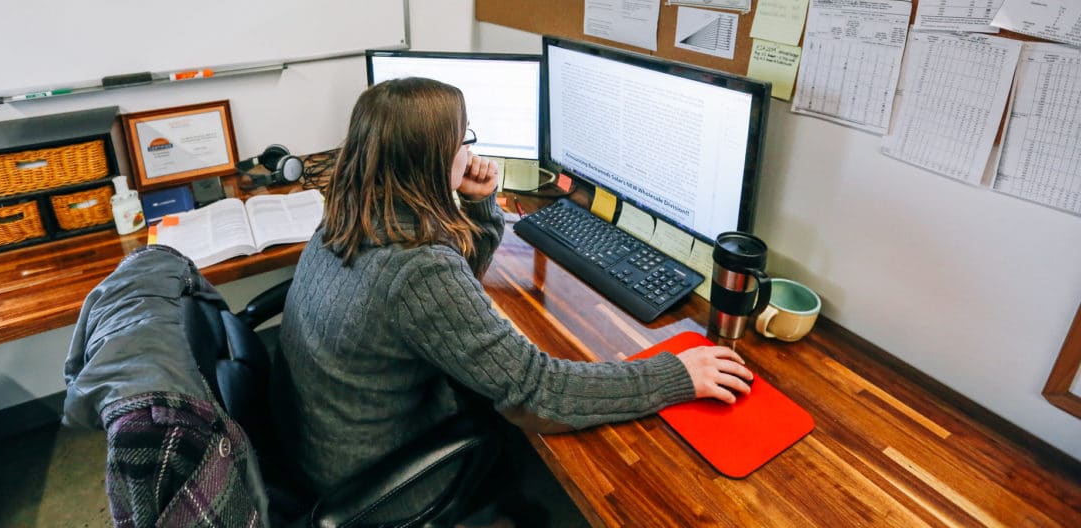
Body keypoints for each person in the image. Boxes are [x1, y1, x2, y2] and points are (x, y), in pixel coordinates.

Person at [278, 77, 753, 527]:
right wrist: (676, 376)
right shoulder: (416, 266)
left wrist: (480, 204)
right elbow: (537, 392)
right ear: (432, 160)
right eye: (462, 141)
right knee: (520, 434)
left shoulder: (353, 210)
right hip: (378, 480)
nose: (469, 152)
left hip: (319, 442)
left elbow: (443, 300)